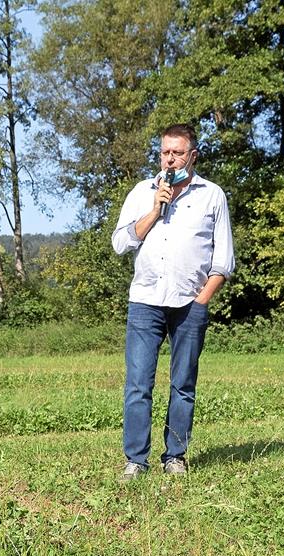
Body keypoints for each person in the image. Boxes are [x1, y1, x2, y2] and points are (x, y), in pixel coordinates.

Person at [111, 123, 235, 481]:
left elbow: (223, 261)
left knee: (183, 384)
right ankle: (136, 460)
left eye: (177, 153)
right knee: (138, 384)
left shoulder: (212, 196)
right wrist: (153, 210)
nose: (170, 159)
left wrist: (201, 302)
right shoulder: (142, 192)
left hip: (189, 304)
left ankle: (175, 456)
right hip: (145, 302)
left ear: (192, 156)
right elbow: (121, 243)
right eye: (165, 152)